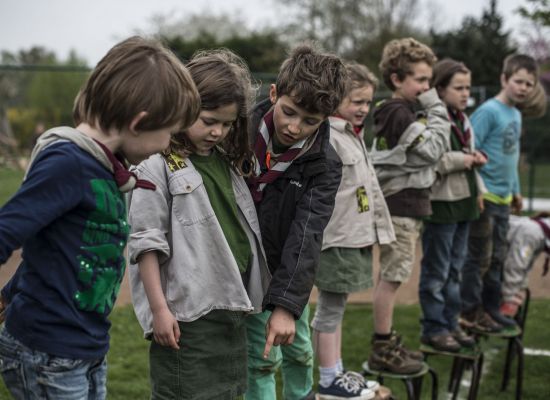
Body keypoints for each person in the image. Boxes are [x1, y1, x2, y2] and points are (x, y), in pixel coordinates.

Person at [0, 36, 200, 399]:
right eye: (168, 132)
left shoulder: (104, 167)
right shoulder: (68, 162)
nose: (169, 143)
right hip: (49, 350)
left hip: (85, 347)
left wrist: (9, 294)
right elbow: (8, 229)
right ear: (139, 123)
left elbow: (52, 246)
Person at [127, 49, 270, 399]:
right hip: (186, 318)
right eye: (208, 120)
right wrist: (159, 311)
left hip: (231, 312)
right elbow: (145, 243)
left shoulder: (229, 164)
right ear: (182, 107)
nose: (218, 131)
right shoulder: (156, 166)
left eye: (227, 123)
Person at [245, 44, 347, 400]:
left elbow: (307, 234)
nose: (294, 127)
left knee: (300, 352)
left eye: (310, 122)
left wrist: (287, 306)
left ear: (326, 119)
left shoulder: (325, 164)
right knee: (260, 360)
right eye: (288, 112)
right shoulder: (237, 132)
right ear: (274, 93)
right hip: (242, 273)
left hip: (286, 271)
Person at [310, 62, 394, 399]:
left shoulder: (351, 135)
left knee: (337, 306)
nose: (363, 109)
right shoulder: (329, 136)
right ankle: (329, 378)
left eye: (368, 102)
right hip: (337, 239)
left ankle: (337, 371)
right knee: (330, 307)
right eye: (356, 101)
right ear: (334, 99)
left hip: (353, 236)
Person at [368, 37, 450, 374]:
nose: (427, 87)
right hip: (399, 206)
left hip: (405, 206)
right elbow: (434, 150)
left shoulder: (401, 111)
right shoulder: (397, 112)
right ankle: (382, 346)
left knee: (395, 275)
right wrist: (436, 106)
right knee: (392, 276)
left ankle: (385, 340)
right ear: (396, 79)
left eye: (429, 80)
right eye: (420, 80)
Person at [460, 54, 538, 332]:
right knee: (478, 258)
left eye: (529, 83)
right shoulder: (488, 111)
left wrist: (516, 190)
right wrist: (476, 192)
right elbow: (470, 151)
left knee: (498, 259)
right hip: (486, 198)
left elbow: (510, 156)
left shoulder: (516, 114)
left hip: (504, 200)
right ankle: (469, 311)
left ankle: (490, 309)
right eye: (518, 81)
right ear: (504, 79)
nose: (523, 88)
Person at [418, 59, 487, 352]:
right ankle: (434, 327)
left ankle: (451, 321)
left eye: (467, 88)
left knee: (455, 269)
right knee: (437, 271)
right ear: (439, 89)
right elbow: (432, 161)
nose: (464, 93)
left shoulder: (463, 118)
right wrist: (467, 160)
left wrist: (479, 190)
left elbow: (470, 153)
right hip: (442, 206)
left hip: (465, 204)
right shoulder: (431, 120)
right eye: (458, 87)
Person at [500, 213, 550, 317]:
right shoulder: (532, 234)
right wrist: (510, 298)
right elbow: (515, 265)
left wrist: (520, 288)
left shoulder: (538, 233)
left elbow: (526, 264)